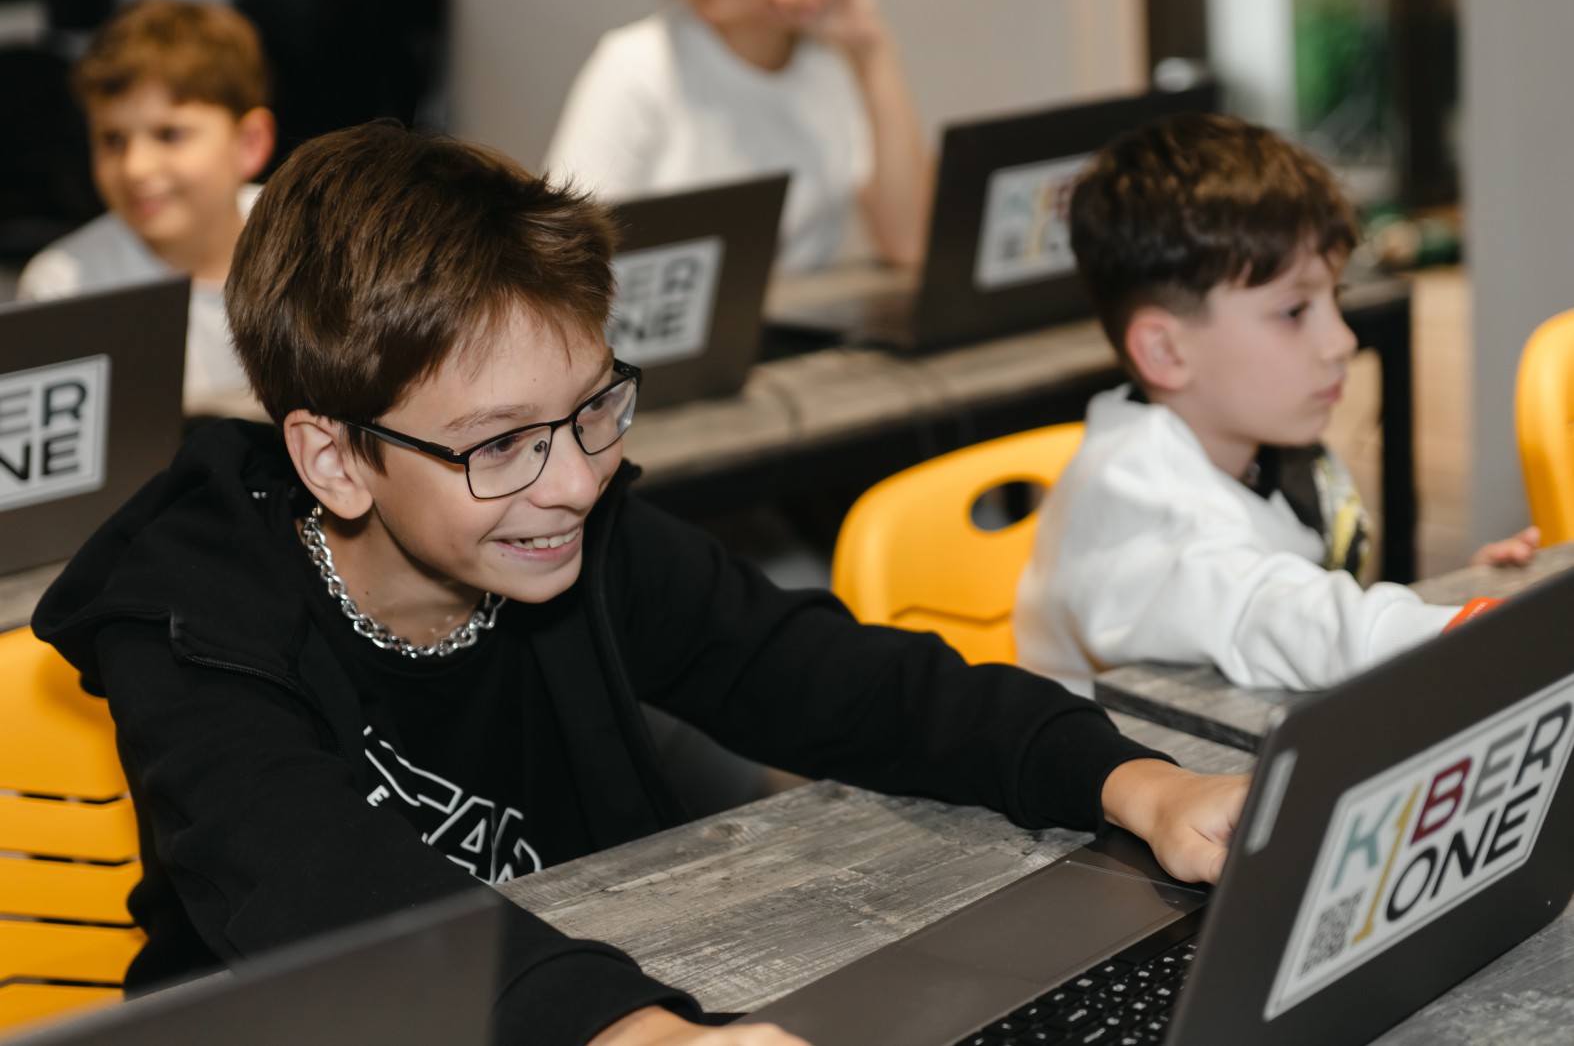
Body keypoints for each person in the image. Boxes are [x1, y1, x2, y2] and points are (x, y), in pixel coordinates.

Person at [33, 123, 1245, 1046]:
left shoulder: (567, 534)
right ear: (336, 458)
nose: (572, 481)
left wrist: (1129, 781)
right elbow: (325, 893)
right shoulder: (192, 623)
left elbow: (834, 678)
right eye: (500, 444)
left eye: (592, 409)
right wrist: (625, 1030)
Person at [1012, 112, 1539, 698]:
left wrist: (1453, 602)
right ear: (1165, 351)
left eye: (1335, 296)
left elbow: (1299, 603)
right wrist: (1455, 632)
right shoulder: (1135, 508)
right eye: (1293, 311)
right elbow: (1265, 613)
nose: (1342, 341)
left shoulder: (1262, 446)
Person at [17, 0, 275, 416]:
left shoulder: (315, 241)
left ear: (249, 143)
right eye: (112, 140)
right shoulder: (63, 289)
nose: (135, 168)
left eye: (169, 134)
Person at [544, 0, 930, 273]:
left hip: (800, 330)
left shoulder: (828, 66)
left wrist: (871, 47)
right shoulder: (637, 63)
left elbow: (910, 243)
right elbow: (562, 259)